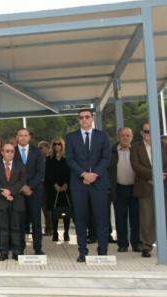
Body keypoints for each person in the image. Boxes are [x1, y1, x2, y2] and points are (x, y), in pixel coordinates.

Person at [64, 109, 112, 261]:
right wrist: (84, 174)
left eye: (87, 117)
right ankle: (82, 252)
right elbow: (70, 159)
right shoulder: (71, 137)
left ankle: (103, 251)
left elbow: (106, 158)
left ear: (92, 118)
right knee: (80, 219)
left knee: (101, 218)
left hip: (99, 183)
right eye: (81, 117)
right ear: (78, 120)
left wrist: (94, 174)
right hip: (79, 184)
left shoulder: (102, 136)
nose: (84, 120)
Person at [131, 123, 167, 258]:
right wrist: (154, 175)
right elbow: (136, 165)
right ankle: (147, 246)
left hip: (166, 185)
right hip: (146, 185)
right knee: (147, 219)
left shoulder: (166, 145)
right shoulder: (136, 147)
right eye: (146, 131)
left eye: (152, 131)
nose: (149, 134)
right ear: (142, 133)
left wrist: (163, 175)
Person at [0, 143, 27, 260]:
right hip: (1, 201)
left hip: (16, 200)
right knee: (3, 228)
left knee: (16, 227)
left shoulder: (20, 165)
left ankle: (16, 251)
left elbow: (22, 181)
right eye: (7, 151)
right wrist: (4, 193)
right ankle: (4, 252)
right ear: (2, 152)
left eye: (12, 151)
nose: (10, 153)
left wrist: (10, 191)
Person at [109, 127, 140, 252]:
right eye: (123, 135)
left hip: (135, 188)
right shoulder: (111, 152)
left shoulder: (137, 150)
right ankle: (122, 244)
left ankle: (136, 244)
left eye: (128, 135)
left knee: (136, 218)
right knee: (120, 218)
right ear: (118, 137)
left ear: (132, 137)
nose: (125, 138)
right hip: (119, 189)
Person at [16, 127, 45, 255]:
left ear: (29, 137)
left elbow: (40, 172)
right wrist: (22, 186)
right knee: (19, 222)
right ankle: (20, 249)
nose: (23, 137)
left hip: (34, 191)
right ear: (17, 137)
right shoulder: (12, 151)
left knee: (36, 221)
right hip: (18, 192)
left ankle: (38, 248)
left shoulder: (37, 152)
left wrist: (30, 187)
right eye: (20, 135)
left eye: (25, 135)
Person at [45, 137, 71, 243]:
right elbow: (48, 174)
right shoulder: (49, 159)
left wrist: (66, 184)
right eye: (55, 144)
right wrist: (55, 184)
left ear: (62, 145)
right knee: (54, 211)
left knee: (66, 211)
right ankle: (55, 232)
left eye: (59, 144)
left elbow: (70, 172)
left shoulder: (67, 158)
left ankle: (66, 232)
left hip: (65, 189)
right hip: (53, 188)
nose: (57, 146)